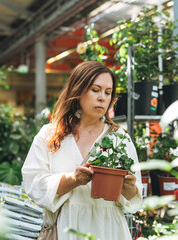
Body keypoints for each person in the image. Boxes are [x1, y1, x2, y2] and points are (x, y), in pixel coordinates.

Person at [22, 61, 142, 240]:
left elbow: (135, 198)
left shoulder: (119, 138)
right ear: (78, 91)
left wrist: (129, 187)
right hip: (66, 228)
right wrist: (73, 179)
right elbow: (33, 184)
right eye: (95, 90)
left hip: (109, 229)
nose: (102, 97)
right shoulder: (50, 134)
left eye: (108, 93)